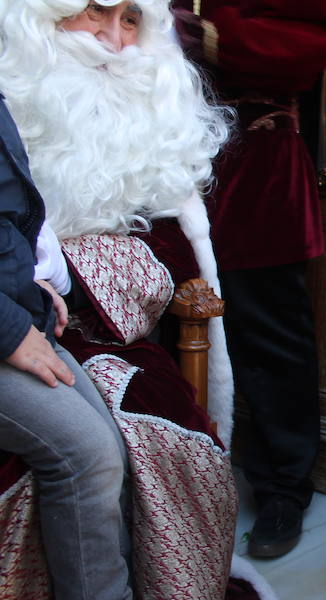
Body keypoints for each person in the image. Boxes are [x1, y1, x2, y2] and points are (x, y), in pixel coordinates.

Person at [0, 1, 240, 597]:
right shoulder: (16, 98)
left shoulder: (154, 132)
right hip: (20, 325)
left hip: (114, 334)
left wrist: (68, 273)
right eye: (93, 14)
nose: (112, 40)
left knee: (157, 433)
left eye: (131, 20)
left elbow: (169, 258)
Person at [170, 0, 326, 558]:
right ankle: (173, 477)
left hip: (257, 170)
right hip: (159, 162)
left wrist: (196, 30)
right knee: (161, 326)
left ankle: (282, 490)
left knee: (271, 338)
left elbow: (318, 36)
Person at [0, 94, 132, 600]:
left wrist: (31, 287)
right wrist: (9, 330)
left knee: (113, 446)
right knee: (89, 455)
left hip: (19, 311)